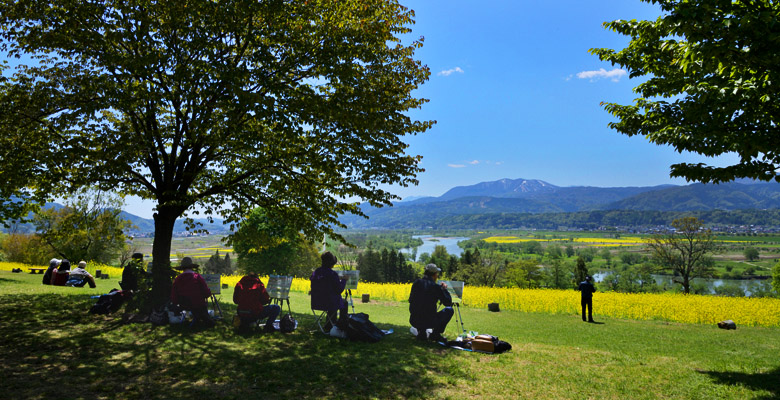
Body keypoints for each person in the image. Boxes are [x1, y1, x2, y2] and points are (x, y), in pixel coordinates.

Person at [409, 263, 453, 343]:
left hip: (414, 320)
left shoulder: (416, 283)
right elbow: (448, 302)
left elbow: (411, 300)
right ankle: (435, 334)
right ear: (435, 274)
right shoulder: (435, 287)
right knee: (449, 310)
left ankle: (421, 332)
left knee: (420, 309)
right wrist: (444, 289)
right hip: (430, 321)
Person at [311, 251, 348, 333]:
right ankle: (341, 325)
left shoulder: (316, 272)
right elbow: (339, 290)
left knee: (331, 299)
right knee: (343, 302)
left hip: (316, 302)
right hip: (329, 303)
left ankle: (329, 325)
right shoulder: (332, 274)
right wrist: (344, 280)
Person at [170, 257, 214, 327]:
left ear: (182, 268)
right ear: (192, 267)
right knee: (201, 306)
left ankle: (197, 319)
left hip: (183, 305)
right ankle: (204, 319)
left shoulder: (178, 279)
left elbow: (174, 296)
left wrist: (176, 303)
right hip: (198, 304)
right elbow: (207, 293)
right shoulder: (197, 277)